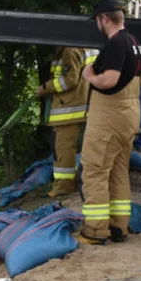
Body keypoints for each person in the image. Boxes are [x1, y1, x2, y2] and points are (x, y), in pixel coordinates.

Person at [78, 0, 141, 244]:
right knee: (118, 171)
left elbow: (109, 80)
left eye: (97, 20)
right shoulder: (135, 43)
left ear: (104, 18)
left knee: (95, 170)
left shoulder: (116, 44)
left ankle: (95, 230)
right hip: (129, 115)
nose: (97, 24)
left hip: (109, 117)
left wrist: (89, 76)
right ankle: (119, 226)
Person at [37, 45, 98, 196]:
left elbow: (69, 80)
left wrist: (45, 87)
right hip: (78, 106)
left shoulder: (70, 51)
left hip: (68, 109)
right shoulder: (83, 46)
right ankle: (70, 183)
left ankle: (63, 186)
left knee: (63, 149)